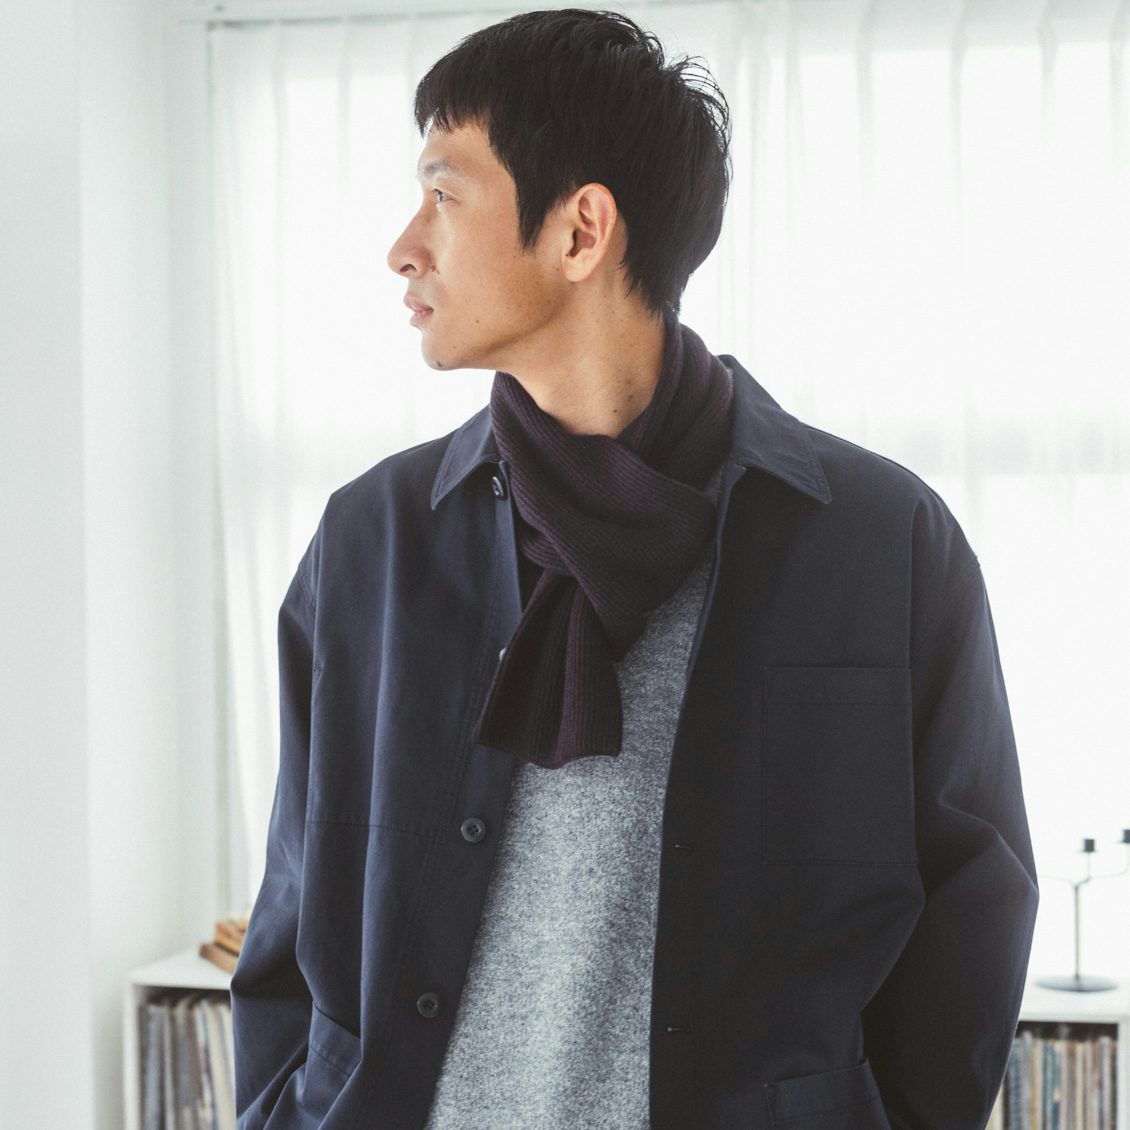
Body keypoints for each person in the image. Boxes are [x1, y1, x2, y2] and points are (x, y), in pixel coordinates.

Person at [229, 9, 1039, 1129]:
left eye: (444, 194)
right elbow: (291, 911)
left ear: (581, 231)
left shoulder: (879, 542)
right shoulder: (372, 541)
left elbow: (972, 911)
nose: (404, 246)